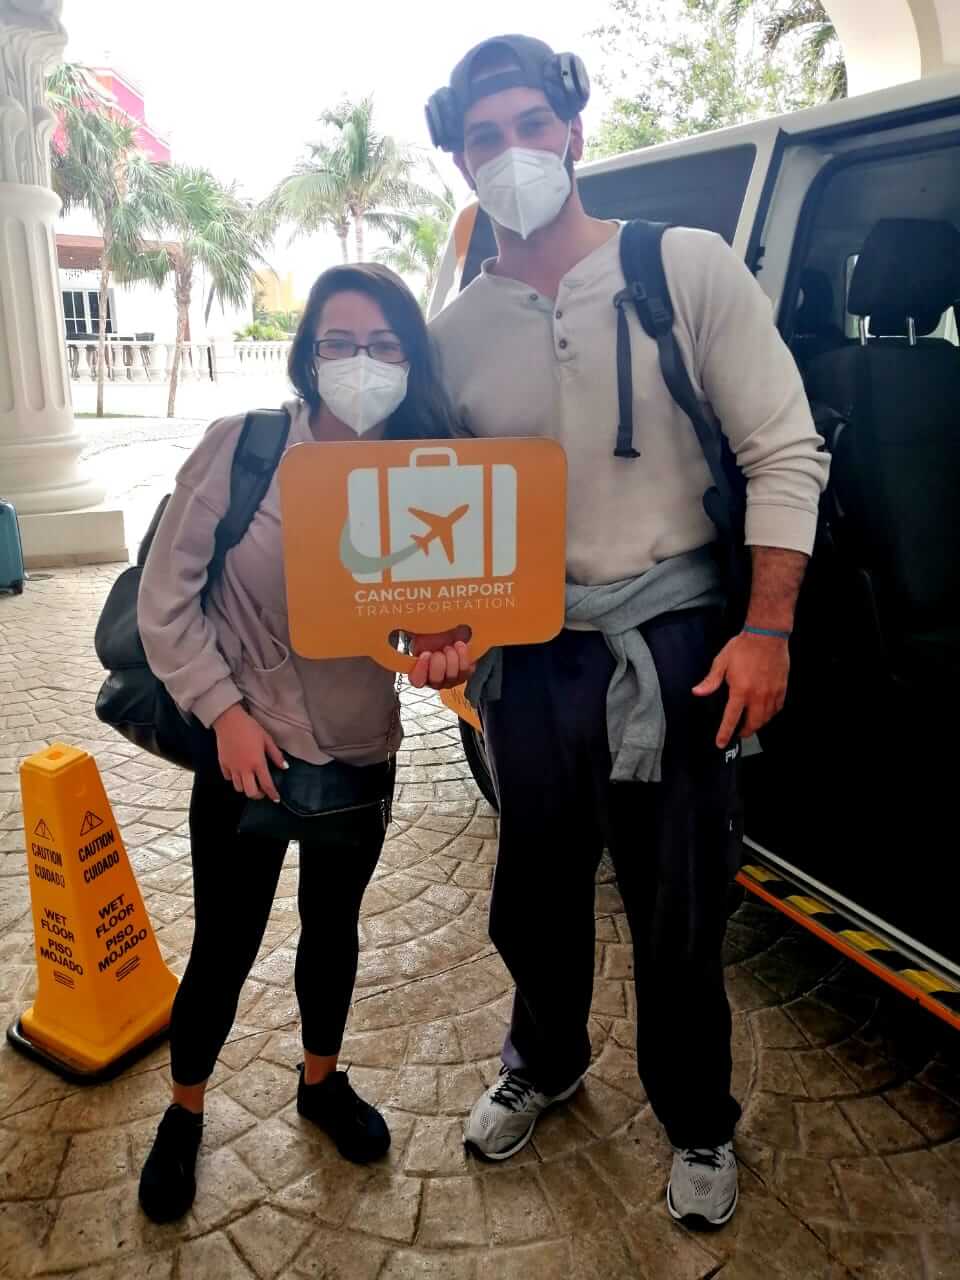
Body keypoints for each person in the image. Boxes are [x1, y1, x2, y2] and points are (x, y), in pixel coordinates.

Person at [412, 35, 830, 1229]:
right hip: (529, 654)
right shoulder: (456, 333)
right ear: (459, 159)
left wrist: (766, 628)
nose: (511, 152)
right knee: (533, 892)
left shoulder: (681, 268)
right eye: (482, 137)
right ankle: (542, 1062)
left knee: (681, 904)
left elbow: (782, 451)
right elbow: (440, 521)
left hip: (678, 645)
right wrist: (441, 633)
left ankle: (698, 1117)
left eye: (530, 124)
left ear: (575, 131)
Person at [136, 263, 461, 1223]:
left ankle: (320, 1083)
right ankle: (184, 1109)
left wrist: (440, 654)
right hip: (249, 747)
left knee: (334, 930)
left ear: (410, 356)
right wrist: (224, 715)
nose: (361, 362)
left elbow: (413, 621)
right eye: (339, 342)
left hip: (362, 751)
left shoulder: (425, 469)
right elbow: (167, 601)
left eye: (385, 344)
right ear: (308, 352)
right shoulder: (246, 449)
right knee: (226, 946)